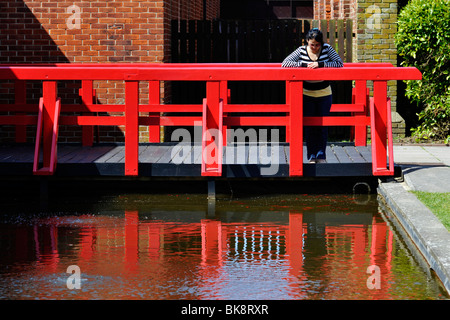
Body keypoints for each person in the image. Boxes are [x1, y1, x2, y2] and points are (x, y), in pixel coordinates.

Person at [281, 28, 343, 163]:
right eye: (312, 44)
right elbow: (285, 63)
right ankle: (311, 156)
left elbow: (339, 64)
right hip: (306, 93)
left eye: (317, 45)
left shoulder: (327, 49)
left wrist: (320, 64)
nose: (314, 47)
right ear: (307, 42)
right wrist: (303, 65)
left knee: (322, 125)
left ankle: (321, 156)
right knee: (309, 126)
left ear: (321, 43)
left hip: (324, 92)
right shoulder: (301, 50)